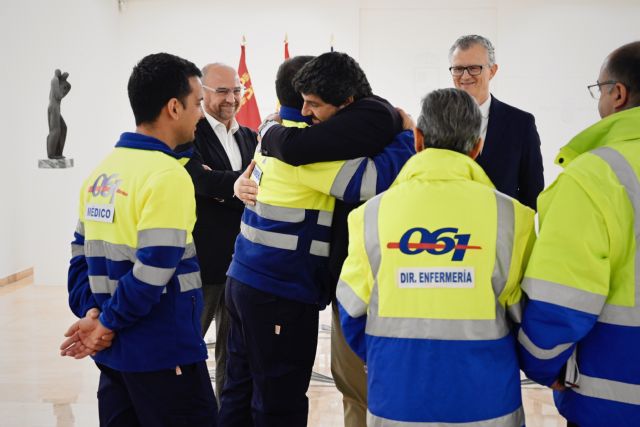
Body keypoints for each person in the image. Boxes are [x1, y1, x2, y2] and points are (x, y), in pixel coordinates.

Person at [219, 55, 414, 427]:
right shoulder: (306, 154)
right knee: (279, 401)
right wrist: (408, 136)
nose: (311, 111)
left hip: (244, 280)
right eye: (308, 101)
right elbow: (369, 181)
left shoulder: (270, 137)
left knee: (239, 391)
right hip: (279, 292)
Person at [337, 88, 536, 426]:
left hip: (397, 402)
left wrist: (392, 361)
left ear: (417, 139)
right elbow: (528, 316)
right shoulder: (513, 218)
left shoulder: (370, 215)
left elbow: (351, 311)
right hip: (487, 405)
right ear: (477, 147)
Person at [60, 52, 218, 427]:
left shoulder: (103, 172)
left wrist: (94, 315)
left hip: (115, 355)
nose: (201, 113)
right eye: (197, 103)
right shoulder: (167, 176)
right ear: (174, 107)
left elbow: (79, 258)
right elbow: (153, 271)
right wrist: (106, 323)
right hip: (164, 353)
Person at [518, 41, 640, 427]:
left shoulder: (595, 176)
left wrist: (543, 365)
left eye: (599, 89)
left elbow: (560, 300)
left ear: (616, 93)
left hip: (616, 400)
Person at [179, 63, 258, 399]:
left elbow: (258, 185)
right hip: (203, 265)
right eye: (222, 91)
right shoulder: (190, 133)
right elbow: (196, 179)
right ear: (204, 93)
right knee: (187, 349)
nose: (232, 98)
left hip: (242, 265)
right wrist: (236, 185)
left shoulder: (250, 136)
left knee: (235, 354)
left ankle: (227, 418)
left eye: (236, 90)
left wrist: (220, 188)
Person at [449, 34, 544, 210]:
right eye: (458, 68)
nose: (465, 76)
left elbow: (533, 193)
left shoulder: (521, 124)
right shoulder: (437, 122)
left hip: (500, 233)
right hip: (449, 233)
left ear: (492, 71)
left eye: (474, 68)